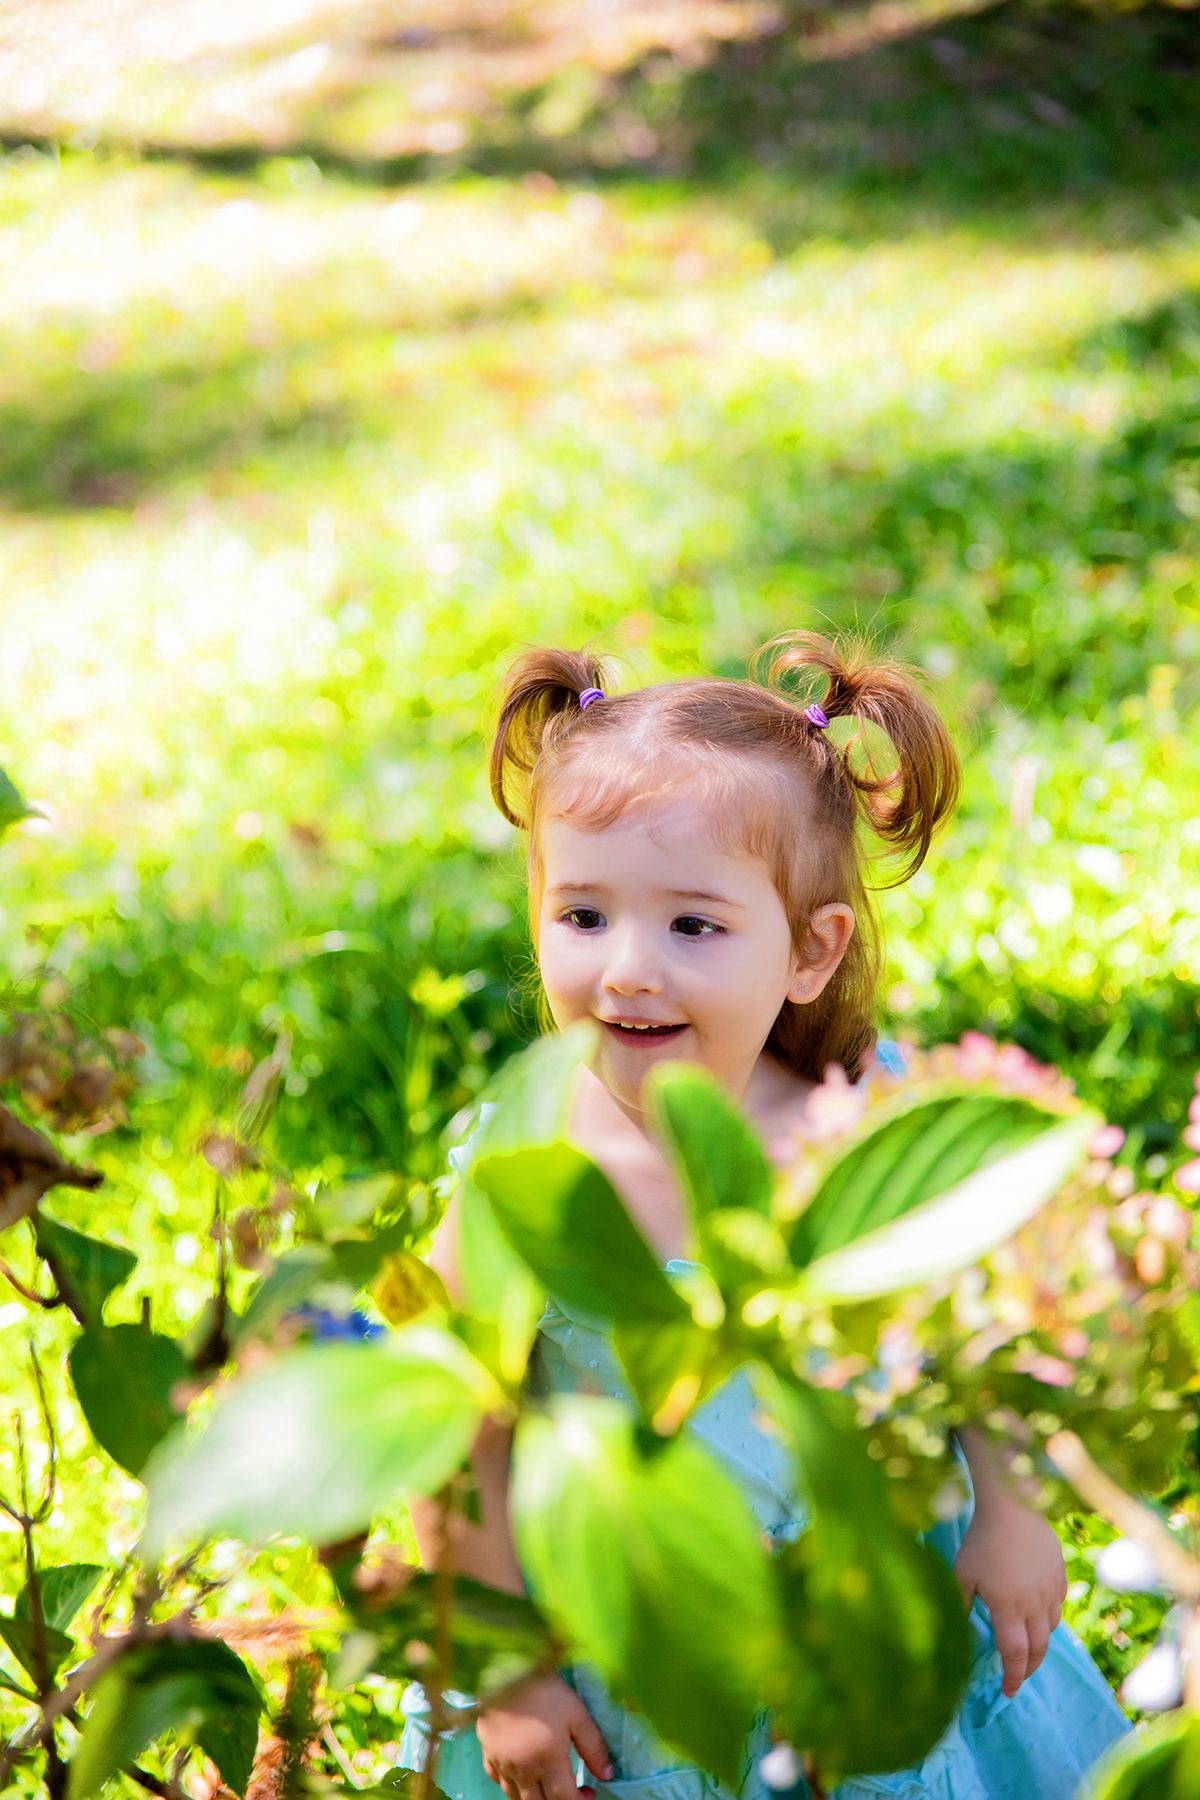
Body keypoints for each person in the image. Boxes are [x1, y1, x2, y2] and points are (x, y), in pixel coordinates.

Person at [397, 635, 1130, 1800]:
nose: (629, 970)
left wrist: (1013, 1510)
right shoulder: (526, 1162)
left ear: (808, 949)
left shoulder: (858, 1125)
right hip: (622, 1666)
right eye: (583, 916)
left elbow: (976, 1330)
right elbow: (453, 1433)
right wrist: (506, 1674)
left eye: (693, 927)